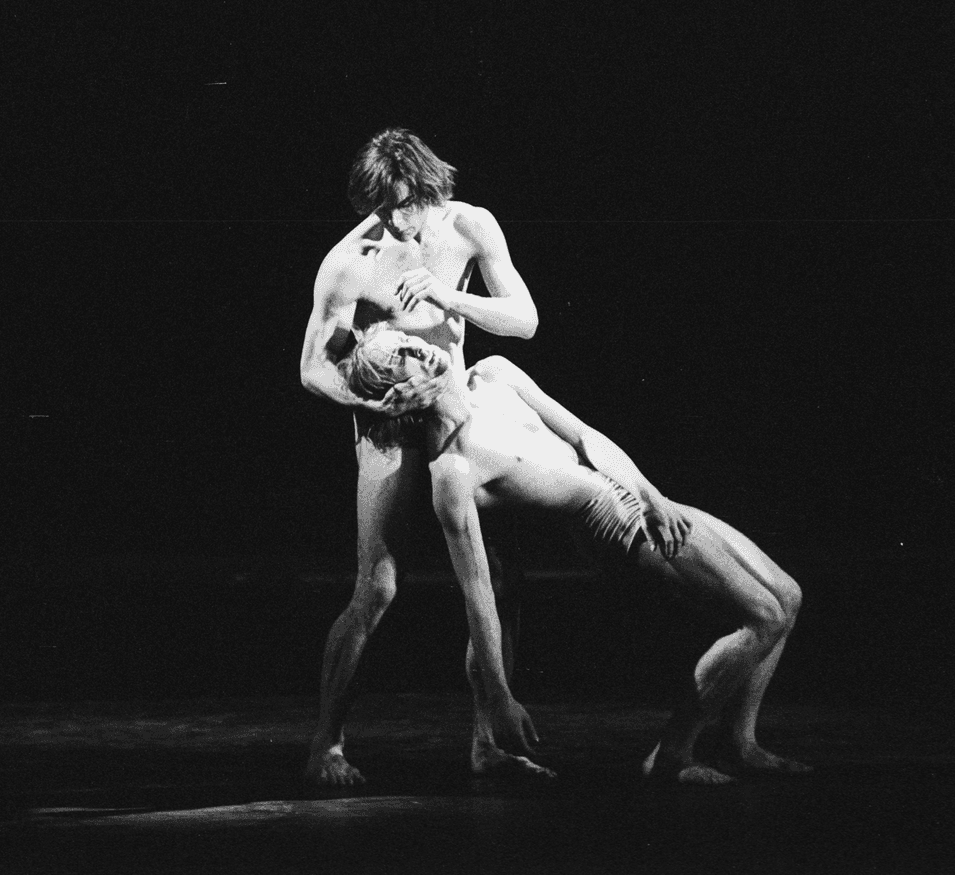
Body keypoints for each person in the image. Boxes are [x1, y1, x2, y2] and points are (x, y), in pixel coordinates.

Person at [340, 324, 812, 783]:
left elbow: (585, 435)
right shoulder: (453, 472)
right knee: (764, 616)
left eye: (407, 340)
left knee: (787, 595)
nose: (420, 350)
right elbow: (478, 591)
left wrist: (651, 496)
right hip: (615, 529)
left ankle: (739, 742)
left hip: (636, 495)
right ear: (400, 397)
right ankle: (673, 754)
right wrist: (501, 696)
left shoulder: (494, 374)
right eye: (401, 358)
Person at [299, 128, 540, 786]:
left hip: (455, 416)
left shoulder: (469, 226)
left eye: (403, 202)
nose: (394, 219)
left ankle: (488, 741)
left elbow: (524, 319)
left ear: (428, 186)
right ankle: (328, 741)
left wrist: (445, 295)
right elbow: (312, 367)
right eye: (381, 207)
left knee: (498, 579)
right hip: (389, 428)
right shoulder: (352, 259)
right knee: (375, 587)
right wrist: (375, 405)